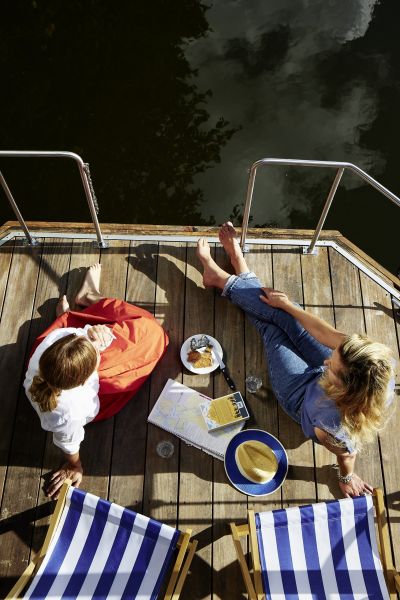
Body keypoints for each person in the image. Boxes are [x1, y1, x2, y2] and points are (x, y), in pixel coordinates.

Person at [197, 223, 395, 497]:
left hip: (300, 396)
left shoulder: (334, 428)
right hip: (326, 388)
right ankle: (233, 273)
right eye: (335, 358)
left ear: (348, 390)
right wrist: (288, 305)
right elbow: (326, 333)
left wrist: (346, 476)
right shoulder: (370, 360)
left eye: (334, 370)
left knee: (272, 329)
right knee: (280, 313)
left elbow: (347, 455)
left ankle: (226, 276)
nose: (327, 362)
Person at [24, 263, 168, 499]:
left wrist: (91, 333)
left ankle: (78, 308)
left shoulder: (55, 343)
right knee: (151, 334)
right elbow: (68, 441)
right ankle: (87, 301)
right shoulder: (69, 411)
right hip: (82, 397)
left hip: (63, 364)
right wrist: (74, 465)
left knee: (130, 332)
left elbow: (72, 338)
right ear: (84, 378)